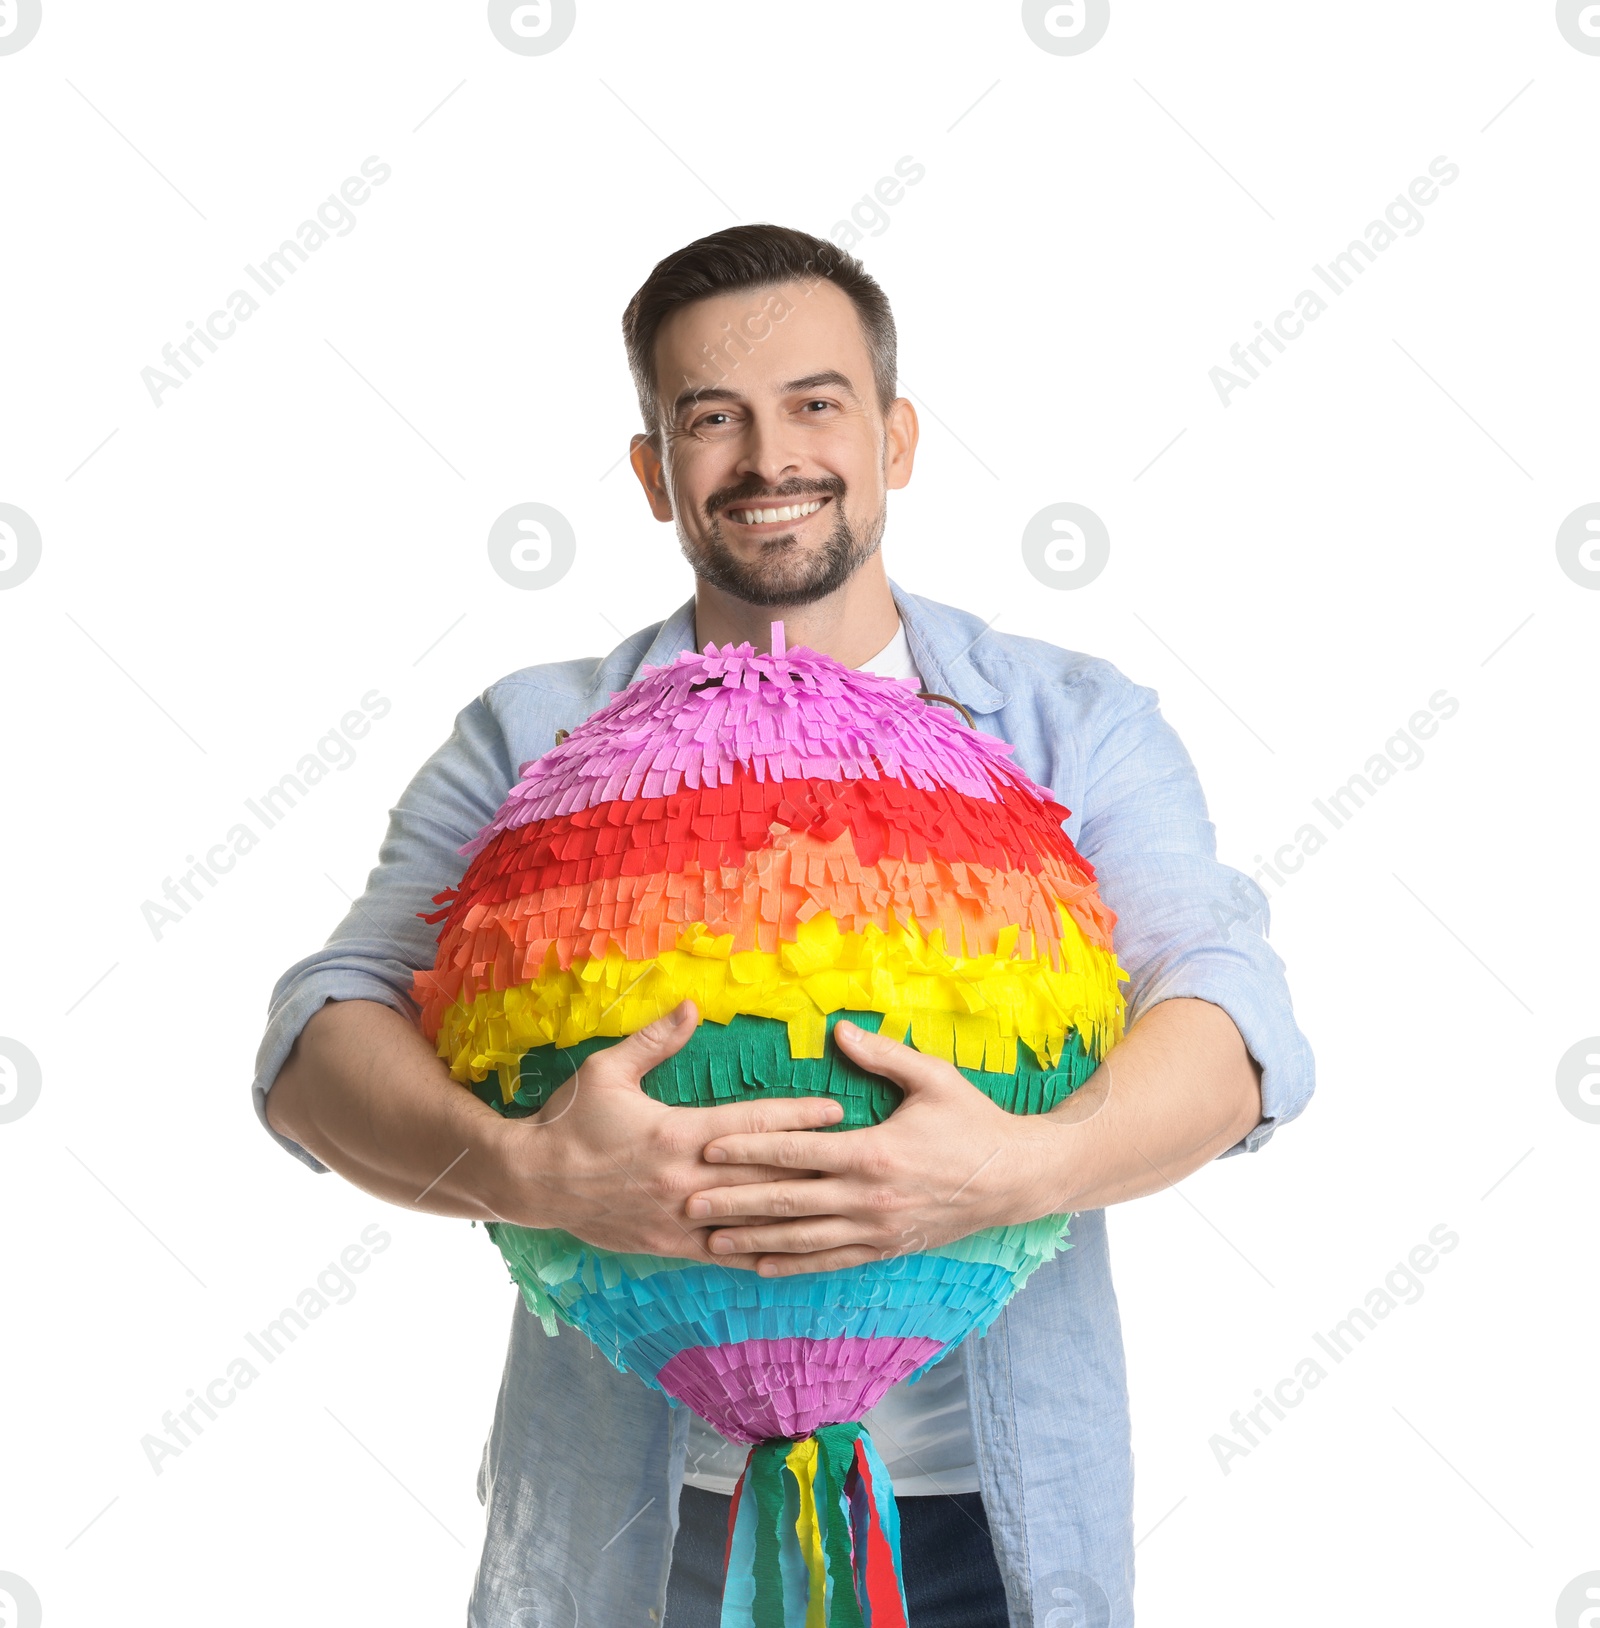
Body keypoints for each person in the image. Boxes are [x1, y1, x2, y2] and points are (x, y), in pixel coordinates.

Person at [255, 224, 1315, 1627]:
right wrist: (533, 1172)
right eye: (713, 418)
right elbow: (319, 1034)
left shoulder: (1076, 723)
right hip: (638, 1530)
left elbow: (1238, 1023)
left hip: (993, 1528)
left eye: (817, 404)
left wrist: (1013, 1170)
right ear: (653, 472)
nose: (771, 460)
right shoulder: (529, 736)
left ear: (896, 437)